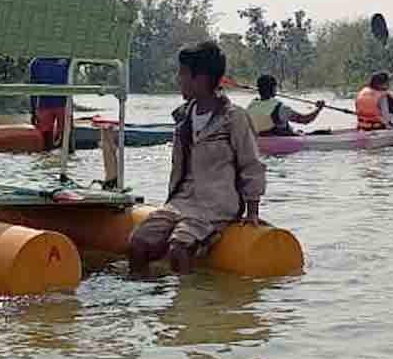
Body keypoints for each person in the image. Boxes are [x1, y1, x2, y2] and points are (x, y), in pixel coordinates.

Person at [129, 41, 266, 277]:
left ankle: (190, 307)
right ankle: (147, 301)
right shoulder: (183, 117)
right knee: (138, 243)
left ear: (201, 78)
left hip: (216, 206)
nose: (178, 79)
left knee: (179, 249)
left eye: (182, 73)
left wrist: (252, 211)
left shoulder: (234, 119)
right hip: (180, 202)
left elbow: (251, 165)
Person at [246, 74, 324, 136]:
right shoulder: (279, 108)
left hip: (258, 141)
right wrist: (318, 109)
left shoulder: (251, 106)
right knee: (321, 133)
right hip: (280, 140)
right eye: (275, 87)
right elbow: (305, 120)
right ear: (273, 89)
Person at [30, 57, 71, 149]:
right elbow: (32, 88)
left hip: (64, 105)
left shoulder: (66, 59)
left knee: (67, 140)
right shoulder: (36, 62)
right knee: (45, 143)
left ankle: (67, 160)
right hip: (44, 106)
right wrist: (33, 111)